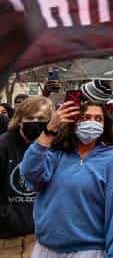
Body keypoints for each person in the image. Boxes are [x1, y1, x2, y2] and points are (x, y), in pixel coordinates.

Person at [19, 100, 113, 258]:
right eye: (85, 117)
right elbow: (30, 175)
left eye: (98, 119)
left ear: (105, 124)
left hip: (87, 251)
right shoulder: (56, 154)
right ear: (74, 121)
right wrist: (49, 131)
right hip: (46, 248)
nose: (92, 123)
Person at [0, 96, 52, 258]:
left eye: (42, 118)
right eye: (30, 118)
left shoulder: (54, 147)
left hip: (42, 235)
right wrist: (12, 219)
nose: (35, 122)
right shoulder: (3, 145)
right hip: (7, 237)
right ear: (19, 119)